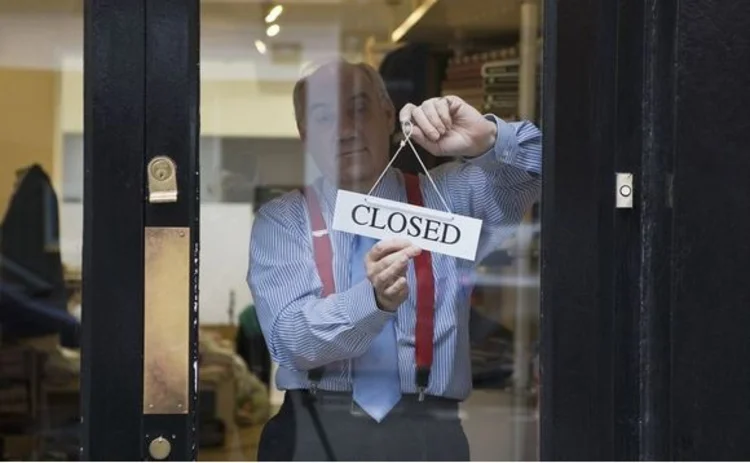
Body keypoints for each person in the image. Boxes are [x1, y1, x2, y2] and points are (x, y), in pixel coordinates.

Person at [247, 59, 542, 461]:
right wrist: (373, 300)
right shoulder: (282, 220)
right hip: (313, 433)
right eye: (323, 116)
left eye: (360, 107)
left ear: (389, 115)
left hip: (426, 434)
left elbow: (546, 168)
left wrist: (486, 138)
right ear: (303, 134)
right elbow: (292, 342)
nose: (346, 129)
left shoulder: (448, 198)